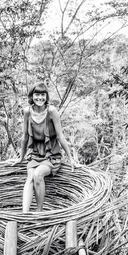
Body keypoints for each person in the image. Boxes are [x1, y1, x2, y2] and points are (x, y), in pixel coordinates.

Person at [12, 82, 75, 212]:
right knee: (30, 176)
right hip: (35, 152)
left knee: (38, 174)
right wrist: (20, 157)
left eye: (42, 94)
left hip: (51, 153)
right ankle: (24, 214)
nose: (39, 98)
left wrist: (71, 158)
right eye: (37, 94)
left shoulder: (51, 111)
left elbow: (60, 136)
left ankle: (39, 213)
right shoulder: (27, 111)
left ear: (46, 96)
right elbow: (24, 136)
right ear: (31, 95)